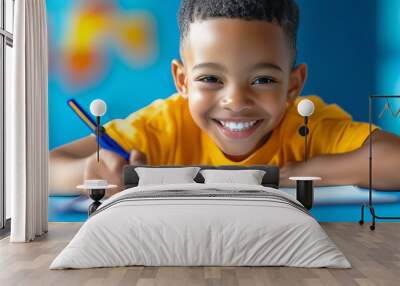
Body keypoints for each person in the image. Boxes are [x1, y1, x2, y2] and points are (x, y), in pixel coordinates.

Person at [50, 0, 400, 196]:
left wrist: (304, 172)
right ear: (182, 81)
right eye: (211, 79)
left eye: (262, 79)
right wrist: (86, 171)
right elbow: (42, 169)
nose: (236, 100)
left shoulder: (307, 126)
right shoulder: (162, 127)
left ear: (293, 86)